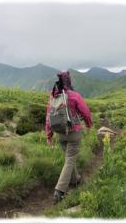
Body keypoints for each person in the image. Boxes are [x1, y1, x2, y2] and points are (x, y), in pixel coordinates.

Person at [45, 71, 92, 203]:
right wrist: (89, 125)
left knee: (69, 158)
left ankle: (75, 179)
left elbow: (48, 118)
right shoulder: (74, 95)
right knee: (70, 160)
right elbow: (86, 112)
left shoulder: (53, 96)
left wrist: (49, 136)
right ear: (69, 81)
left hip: (60, 133)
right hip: (74, 132)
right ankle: (59, 191)